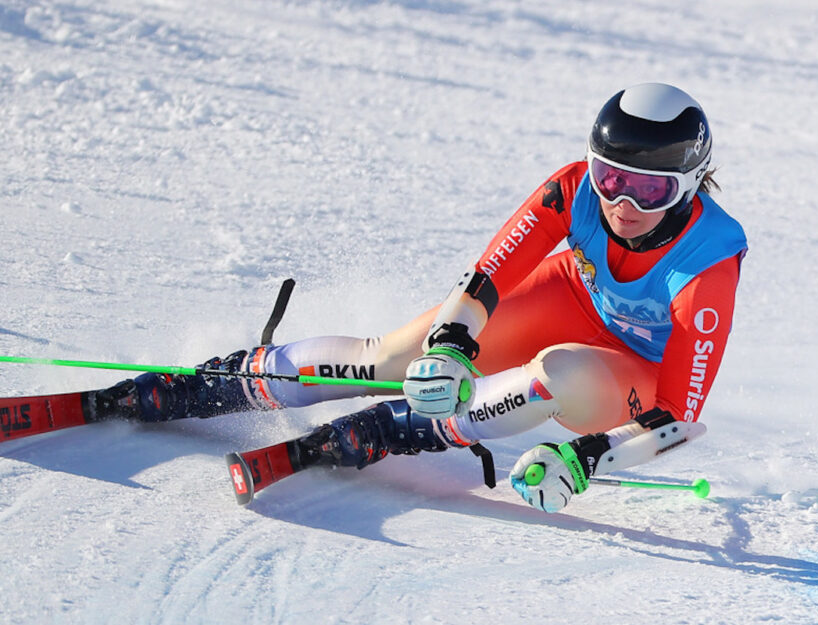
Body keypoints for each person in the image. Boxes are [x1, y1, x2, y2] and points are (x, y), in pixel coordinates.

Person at [91, 82, 747, 513]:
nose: (622, 204)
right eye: (610, 178)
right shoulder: (572, 189)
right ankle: (238, 378)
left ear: (690, 183)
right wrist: (450, 348)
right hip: (571, 297)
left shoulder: (708, 263)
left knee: (554, 376)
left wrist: (586, 458)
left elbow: (681, 413)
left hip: (629, 373)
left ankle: (410, 427)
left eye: (650, 190)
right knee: (395, 356)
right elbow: (489, 276)